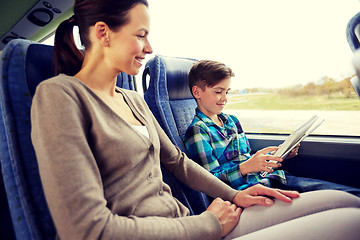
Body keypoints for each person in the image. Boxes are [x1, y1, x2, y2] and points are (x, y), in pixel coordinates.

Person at [30, 1, 360, 239]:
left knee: (347, 204)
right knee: (351, 225)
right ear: (103, 33)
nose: (149, 48)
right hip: (188, 230)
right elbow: (86, 231)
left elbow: (179, 162)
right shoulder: (60, 96)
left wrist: (234, 196)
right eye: (141, 35)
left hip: (188, 226)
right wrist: (207, 225)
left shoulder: (132, 100)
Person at [184, 59, 360, 198]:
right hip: (253, 191)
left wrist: (273, 157)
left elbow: (244, 158)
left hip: (274, 178)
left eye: (227, 92)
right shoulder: (198, 131)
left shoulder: (232, 121)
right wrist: (247, 167)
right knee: (343, 200)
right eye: (218, 91)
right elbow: (210, 182)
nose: (224, 98)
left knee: (347, 193)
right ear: (197, 92)